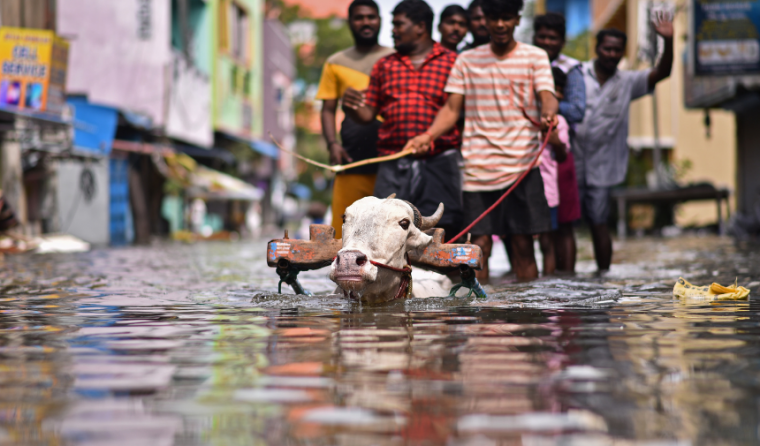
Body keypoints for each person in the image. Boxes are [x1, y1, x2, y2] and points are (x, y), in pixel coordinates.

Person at [403, 0, 559, 282]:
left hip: (522, 168)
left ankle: (530, 320)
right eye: (494, 18)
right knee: (479, 247)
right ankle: (480, 317)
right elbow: (451, 109)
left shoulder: (535, 56)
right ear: (484, 20)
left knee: (524, 246)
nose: (500, 24)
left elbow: (546, 95)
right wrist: (428, 135)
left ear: (517, 20)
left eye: (507, 18)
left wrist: (549, 113)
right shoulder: (467, 60)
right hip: (478, 171)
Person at [342, 0, 463, 237]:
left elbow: (454, 109)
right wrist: (351, 107)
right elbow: (367, 114)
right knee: (386, 230)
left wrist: (428, 137)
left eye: (399, 24)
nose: (392, 30)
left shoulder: (453, 62)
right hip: (392, 162)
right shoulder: (384, 65)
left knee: (442, 229)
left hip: (439, 161)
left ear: (420, 27)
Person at [574, 12, 674, 272]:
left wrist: (669, 41)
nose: (611, 54)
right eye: (606, 48)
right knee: (564, 227)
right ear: (597, 49)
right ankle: (564, 279)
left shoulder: (629, 81)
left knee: (599, 222)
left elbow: (661, 72)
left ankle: (603, 277)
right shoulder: (577, 74)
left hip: (603, 167)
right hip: (570, 163)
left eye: (617, 50)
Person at [316, 0, 395, 239]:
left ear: (380, 20)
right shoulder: (335, 62)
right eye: (359, 17)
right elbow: (328, 109)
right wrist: (332, 144)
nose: (366, 22)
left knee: (389, 233)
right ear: (350, 22)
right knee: (344, 232)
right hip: (351, 159)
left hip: (390, 161)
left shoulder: (395, 59)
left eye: (371, 17)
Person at [533, 12, 584, 273]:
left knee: (564, 223)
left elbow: (576, 111)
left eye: (552, 38)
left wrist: (545, 106)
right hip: (536, 157)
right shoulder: (527, 62)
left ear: (562, 41)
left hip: (561, 153)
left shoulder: (571, 68)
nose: (546, 42)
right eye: (541, 36)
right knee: (542, 228)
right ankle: (549, 277)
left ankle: (569, 276)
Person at [537, 67, 570, 276]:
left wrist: (552, 135)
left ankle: (547, 282)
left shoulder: (560, 123)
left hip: (548, 193)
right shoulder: (525, 119)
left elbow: (563, 154)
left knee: (547, 241)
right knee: (517, 239)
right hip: (520, 189)